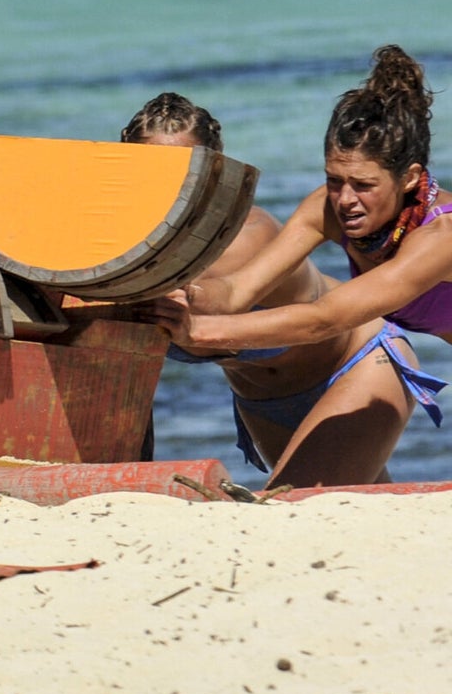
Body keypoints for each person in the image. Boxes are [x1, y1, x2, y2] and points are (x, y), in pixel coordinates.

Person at [159, 51, 448, 485]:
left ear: (409, 179)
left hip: (364, 353)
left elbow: (324, 319)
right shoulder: (327, 209)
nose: (346, 199)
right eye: (335, 180)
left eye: (364, 185)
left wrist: (195, 332)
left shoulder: (440, 238)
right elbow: (239, 291)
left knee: (291, 503)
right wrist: (187, 297)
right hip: (288, 389)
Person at [124, 92, 399, 482]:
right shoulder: (120, 248)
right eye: (148, 169)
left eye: (185, 169)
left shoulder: (248, 236)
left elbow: (212, 304)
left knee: (293, 507)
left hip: (356, 364)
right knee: (356, 513)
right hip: (264, 400)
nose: (168, 184)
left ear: (216, 171)